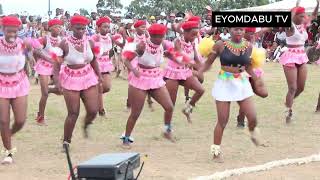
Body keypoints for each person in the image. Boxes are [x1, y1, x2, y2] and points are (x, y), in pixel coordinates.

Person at [198, 27, 264, 162]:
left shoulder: (249, 46)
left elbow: (248, 66)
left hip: (242, 82)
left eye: (241, 29)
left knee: (252, 117)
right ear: (229, 29)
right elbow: (208, 63)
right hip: (224, 83)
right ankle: (216, 152)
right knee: (222, 121)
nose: (238, 32)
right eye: (235, 29)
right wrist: (198, 72)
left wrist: (256, 79)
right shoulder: (220, 44)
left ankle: (251, 132)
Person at [0, 16, 48, 164]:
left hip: (18, 82)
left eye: (15, 32)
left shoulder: (23, 43)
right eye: (9, 31)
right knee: (3, 120)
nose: (12, 35)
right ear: (3, 30)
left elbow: (39, 52)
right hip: (1, 84)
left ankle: (7, 135)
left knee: (20, 121)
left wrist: (53, 60)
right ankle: (8, 152)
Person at [121, 24, 174, 148]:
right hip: (141, 78)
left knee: (169, 106)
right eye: (156, 36)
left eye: (161, 36)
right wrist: (133, 70)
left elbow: (171, 52)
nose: (159, 39)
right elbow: (126, 60)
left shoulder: (162, 44)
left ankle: (167, 130)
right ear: (151, 35)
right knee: (136, 113)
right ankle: (126, 138)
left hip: (156, 78)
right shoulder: (142, 45)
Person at [53, 15, 102, 148]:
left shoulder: (90, 42)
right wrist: (57, 82)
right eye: (78, 28)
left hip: (88, 77)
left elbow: (93, 60)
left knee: (93, 111)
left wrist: (99, 75)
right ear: (71, 27)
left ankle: (86, 124)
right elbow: (56, 64)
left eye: (83, 28)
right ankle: (66, 141)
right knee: (73, 113)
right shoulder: (63, 43)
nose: (81, 31)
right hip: (70, 78)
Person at [280, 1, 319, 123]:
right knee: (292, 87)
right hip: (290, 57)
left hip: (302, 56)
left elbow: (313, 15)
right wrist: (296, 7)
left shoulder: (303, 25)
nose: (304, 18)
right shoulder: (290, 26)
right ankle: (288, 111)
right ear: (295, 16)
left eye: (304, 16)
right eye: (301, 15)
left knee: (301, 88)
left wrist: (317, 3)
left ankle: (288, 101)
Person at [163, 20, 205, 123]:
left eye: (196, 35)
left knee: (201, 90)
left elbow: (196, 59)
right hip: (173, 73)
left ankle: (187, 108)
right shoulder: (178, 41)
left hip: (185, 72)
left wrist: (202, 67)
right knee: (171, 104)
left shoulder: (192, 44)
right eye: (193, 34)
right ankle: (167, 128)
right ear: (185, 32)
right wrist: (193, 65)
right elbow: (182, 57)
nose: (194, 37)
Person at [91, 17, 123, 116]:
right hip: (96, 64)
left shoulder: (110, 37)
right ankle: (101, 110)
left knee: (107, 87)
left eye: (108, 27)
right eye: (104, 27)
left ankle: (93, 97)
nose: (106, 29)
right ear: (98, 27)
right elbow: (91, 51)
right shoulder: (95, 38)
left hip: (106, 63)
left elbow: (121, 45)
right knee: (100, 87)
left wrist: (124, 36)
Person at [34, 19, 64, 125]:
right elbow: (36, 49)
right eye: (56, 27)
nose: (58, 29)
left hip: (56, 68)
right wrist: (45, 59)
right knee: (44, 94)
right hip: (44, 67)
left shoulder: (62, 40)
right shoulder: (45, 39)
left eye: (60, 27)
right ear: (50, 28)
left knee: (61, 91)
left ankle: (49, 90)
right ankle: (40, 117)